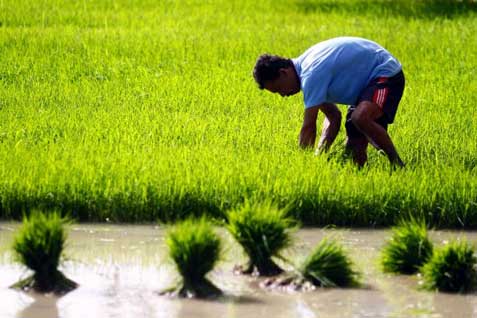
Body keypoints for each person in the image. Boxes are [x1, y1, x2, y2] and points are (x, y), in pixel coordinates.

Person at [253, 36, 405, 167]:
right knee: (353, 154)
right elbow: (333, 116)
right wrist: (320, 155)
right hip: (365, 87)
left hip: (386, 73)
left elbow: (308, 127)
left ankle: (397, 164)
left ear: (283, 73)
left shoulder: (310, 74)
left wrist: (302, 166)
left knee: (360, 117)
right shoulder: (306, 70)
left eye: (279, 89)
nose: (283, 95)